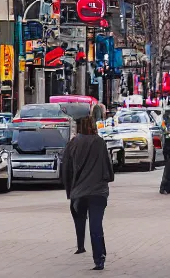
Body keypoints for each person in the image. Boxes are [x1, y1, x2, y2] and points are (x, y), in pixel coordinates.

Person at [61, 116, 114, 271]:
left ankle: (80, 244)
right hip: (98, 191)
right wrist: (108, 178)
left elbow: (67, 168)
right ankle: (99, 259)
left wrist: (70, 190)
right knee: (96, 224)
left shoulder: (73, 143)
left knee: (79, 216)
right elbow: (107, 165)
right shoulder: (99, 142)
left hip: (79, 191)